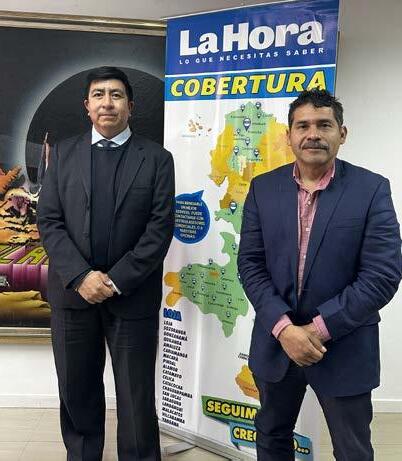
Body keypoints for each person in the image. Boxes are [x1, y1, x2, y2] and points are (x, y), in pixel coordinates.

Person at [238, 88, 402, 461]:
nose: (313, 134)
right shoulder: (263, 188)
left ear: (342, 133)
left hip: (344, 344)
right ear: (289, 135)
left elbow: (382, 274)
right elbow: (250, 263)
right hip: (276, 344)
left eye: (324, 125)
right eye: (303, 126)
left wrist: (316, 330)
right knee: (271, 437)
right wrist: (285, 329)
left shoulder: (372, 189)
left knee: (352, 449)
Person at [37, 66, 175, 461]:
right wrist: (81, 276)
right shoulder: (63, 153)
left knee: (135, 395)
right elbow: (49, 220)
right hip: (73, 295)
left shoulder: (157, 159)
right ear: (87, 105)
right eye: (99, 95)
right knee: (76, 390)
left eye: (116, 95)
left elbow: (159, 228)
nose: (107, 103)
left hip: (132, 296)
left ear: (130, 105)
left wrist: (114, 281)